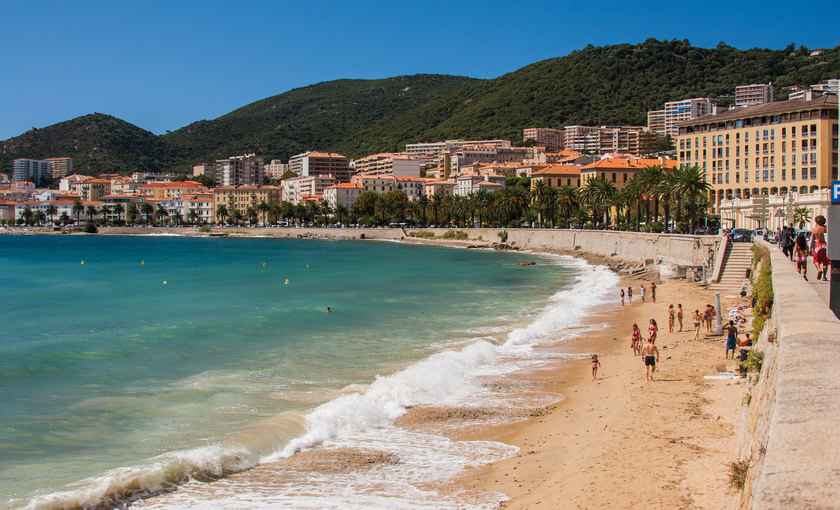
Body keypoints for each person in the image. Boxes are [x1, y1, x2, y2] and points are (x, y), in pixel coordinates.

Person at [811, 215, 829, 281]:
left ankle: (819, 269)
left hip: (818, 246)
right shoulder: (827, 229)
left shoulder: (815, 230)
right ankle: (824, 277)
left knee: (816, 261)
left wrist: (810, 249)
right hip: (826, 246)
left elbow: (812, 240)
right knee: (825, 262)